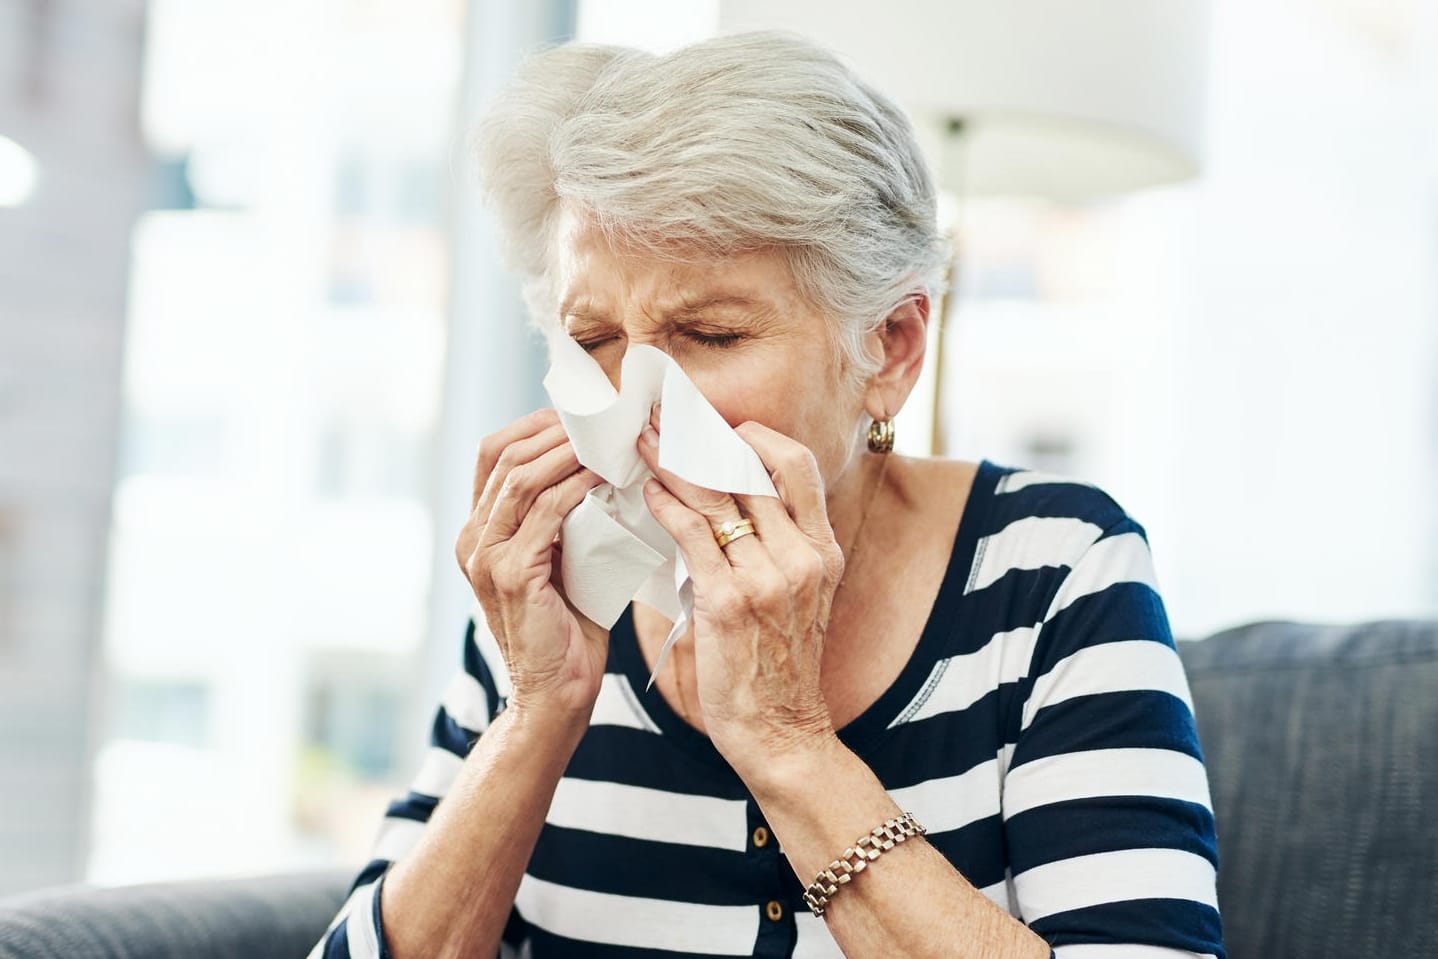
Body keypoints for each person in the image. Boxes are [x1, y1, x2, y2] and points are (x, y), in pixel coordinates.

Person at [310, 31, 1224, 959]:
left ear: (891, 349)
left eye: (707, 333)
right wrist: (536, 712)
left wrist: (788, 743)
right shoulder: (547, 583)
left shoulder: (1055, 569)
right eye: (593, 341)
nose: (632, 411)